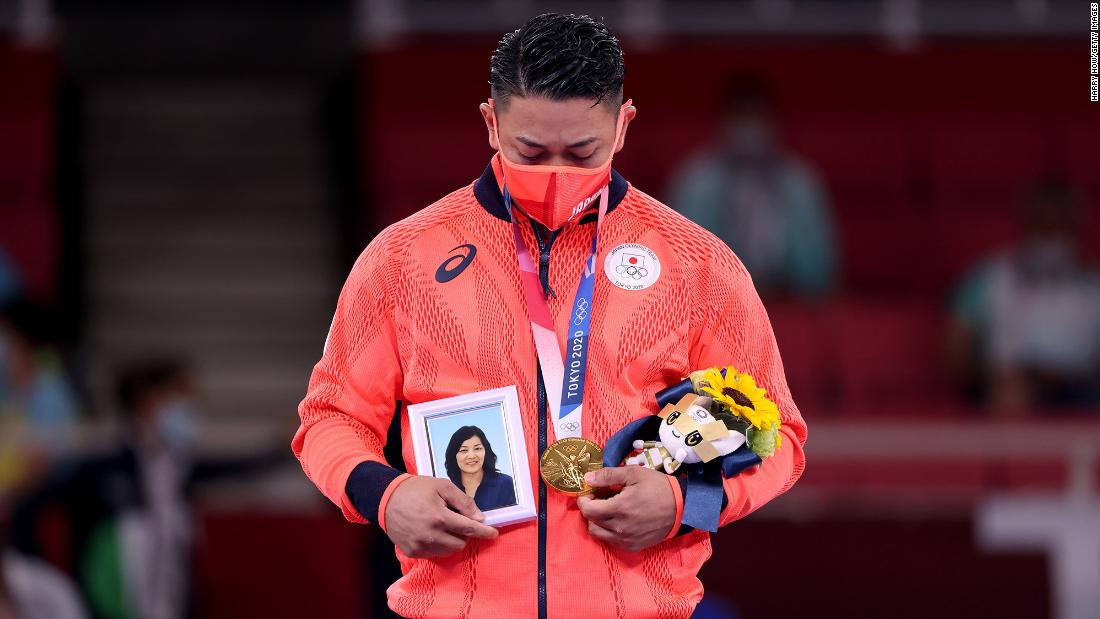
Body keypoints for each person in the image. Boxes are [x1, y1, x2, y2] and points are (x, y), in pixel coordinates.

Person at [292, 13, 807, 618]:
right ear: (491, 122)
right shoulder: (403, 258)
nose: (556, 173)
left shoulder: (697, 264)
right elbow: (330, 418)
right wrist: (385, 496)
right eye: (530, 150)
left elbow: (779, 438)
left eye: (581, 150)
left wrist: (685, 502)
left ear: (623, 125)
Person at [11, 358, 286, 619]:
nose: (188, 411)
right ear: (147, 400)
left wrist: (289, 445)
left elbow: (237, 468)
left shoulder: (179, 470)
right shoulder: (99, 468)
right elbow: (26, 510)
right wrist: (46, 579)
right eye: (179, 399)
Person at [666, 74, 837, 298]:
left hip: (789, 305)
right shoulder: (696, 181)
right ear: (723, 122)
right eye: (740, 116)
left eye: (755, 116)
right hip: (715, 305)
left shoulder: (800, 183)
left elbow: (819, 273)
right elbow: (681, 265)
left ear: (772, 123)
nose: (748, 129)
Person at [948, 177, 1100, 413]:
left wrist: (1060, 376)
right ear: (1025, 223)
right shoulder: (988, 277)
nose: (1051, 233)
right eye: (1041, 223)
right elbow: (955, 350)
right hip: (1004, 388)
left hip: (1081, 391)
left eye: (1060, 223)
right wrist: (993, 379)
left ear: (1077, 225)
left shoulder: (1095, 283)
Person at [444, 425, 516, 511]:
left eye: (477, 448)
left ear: (486, 451)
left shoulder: (505, 483)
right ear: (454, 456)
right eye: (464, 450)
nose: (471, 456)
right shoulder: (447, 492)